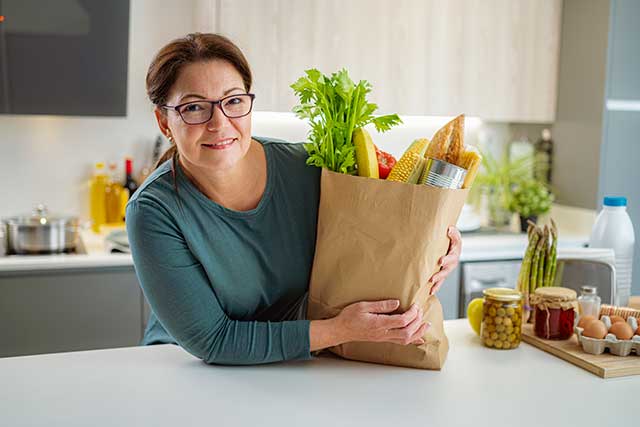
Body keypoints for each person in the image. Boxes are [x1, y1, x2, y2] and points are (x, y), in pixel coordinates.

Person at [126, 33, 462, 365]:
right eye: (194, 107)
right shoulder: (153, 211)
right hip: (187, 369)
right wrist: (338, 330)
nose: (220, 123)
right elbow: (214, 340)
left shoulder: (309, 167)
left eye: (233, 101)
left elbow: (378, 234)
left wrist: (436, 247)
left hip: (298, 362)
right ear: (163, 121)